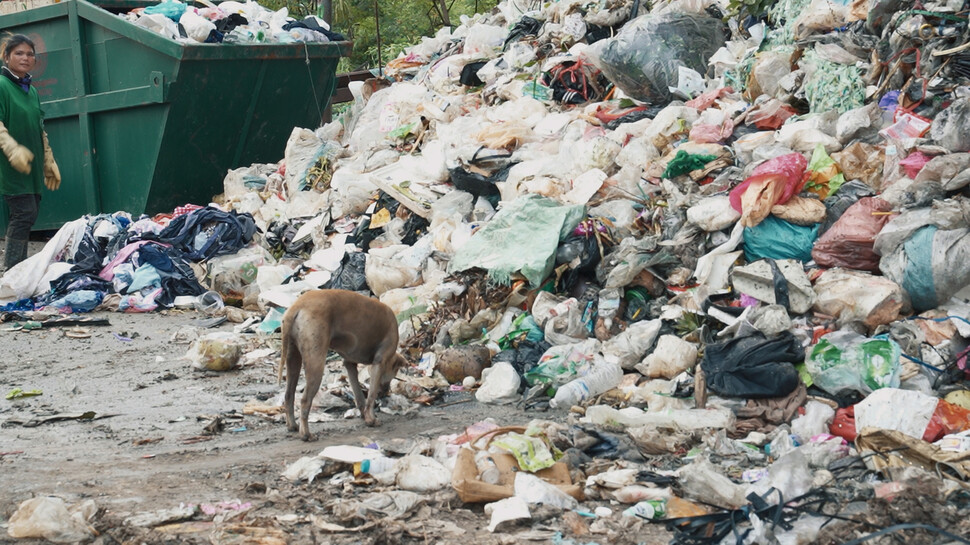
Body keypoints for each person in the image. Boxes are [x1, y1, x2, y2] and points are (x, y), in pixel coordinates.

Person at [0, 33, 59, 272]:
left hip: (30, 166)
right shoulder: (2, 86)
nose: (25, 58)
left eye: (30, 54)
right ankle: (12, 271)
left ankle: (18, 269)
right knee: (23, 213)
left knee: (30, 213)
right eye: (19, 53)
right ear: (6, 57)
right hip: (11, 164)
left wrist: (48, 159)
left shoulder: (30, 90)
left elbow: (38, 126)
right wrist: (11, 148)